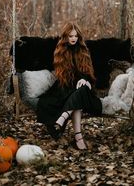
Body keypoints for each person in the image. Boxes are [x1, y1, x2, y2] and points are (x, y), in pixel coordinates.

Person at [36, 22, 103, 150]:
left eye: (75, 36)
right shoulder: (60, 52)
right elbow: (64, 77)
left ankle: (64, 116)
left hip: (84, 90)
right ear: (65, 37)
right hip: (66, 87)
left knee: (83, 88)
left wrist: (85, 80)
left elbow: (88, 73)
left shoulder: (83, 52)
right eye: (70, 36)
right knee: (77, 96)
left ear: (79, 37)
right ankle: (78, 136)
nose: (73, 39)